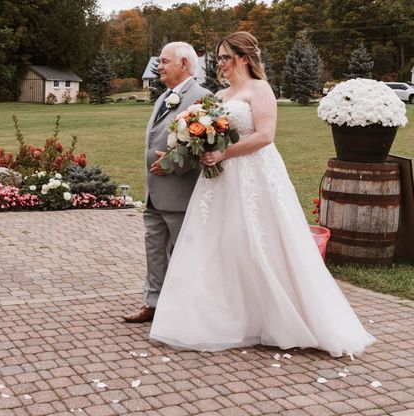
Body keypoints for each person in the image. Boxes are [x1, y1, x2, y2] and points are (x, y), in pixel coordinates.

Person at [149, 32, 375, 357]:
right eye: (219, 58)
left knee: (260, 240)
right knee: (219, 243)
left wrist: (223, 154)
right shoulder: (222, 94)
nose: (221, 64)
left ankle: (281, 316)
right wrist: (199, 146)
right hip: (220, 180)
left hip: (254, 174)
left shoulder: (260, 89)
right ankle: (222, 317)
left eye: (226, 57)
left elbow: (265, 136)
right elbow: (213, 134)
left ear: (243, 57)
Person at [123, 42, 212, 323]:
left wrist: (173, 164)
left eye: (164, 61)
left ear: (184, 63)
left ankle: (184, 307)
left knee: (185, 252)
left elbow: (206, 147)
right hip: (154, 192)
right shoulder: (164, 97)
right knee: (154, 249)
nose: (158, 66)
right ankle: (153, 303)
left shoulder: (203, 98)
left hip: (179, 191)